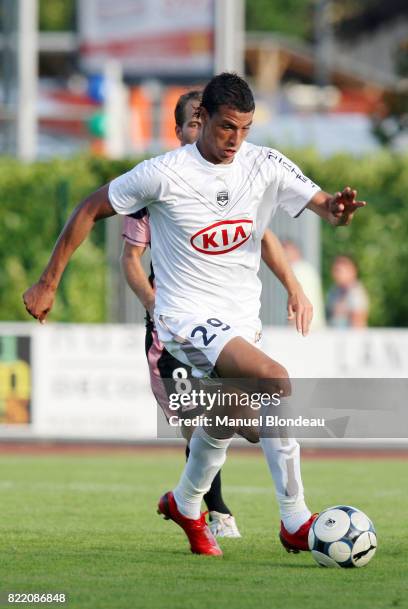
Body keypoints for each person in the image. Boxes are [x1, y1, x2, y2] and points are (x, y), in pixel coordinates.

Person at [23, 72, 366, 558]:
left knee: (241, 420)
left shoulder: (264, 163)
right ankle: (295, 519)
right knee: (276, 379)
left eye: (245, 128)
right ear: (202, 118)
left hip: (240, 323)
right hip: (183, 320)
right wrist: (48, 282)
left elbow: (325, 208)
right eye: (227, 127)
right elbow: (87, 209)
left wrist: (338, 209)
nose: (236, 140)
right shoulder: (163, 172)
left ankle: (186, 502)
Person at [121, 90, 314, 538]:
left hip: (225, 324)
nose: (201, 133)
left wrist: (294, 286)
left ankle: (185, 502)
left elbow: (261, 236)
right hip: (174, 332)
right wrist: (156, 304)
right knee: (200, 423)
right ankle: (220, 510)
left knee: (242, 421)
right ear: (183, 129)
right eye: (191, 124)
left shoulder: (232, 180)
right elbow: (131, 259)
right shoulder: (159, 183)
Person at [282, 239, 326, 330]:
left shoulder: (296, 270)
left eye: (285, 250)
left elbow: (297, 299)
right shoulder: (307, 269)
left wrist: (292, 323)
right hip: (313, 324)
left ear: (295, 251)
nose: (282, 254)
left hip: (303, 325)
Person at [326, 255, 369, 327]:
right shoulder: (334, 290)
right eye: (335, 270)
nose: (335, 274)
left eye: (339, 270)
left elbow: (358, 322)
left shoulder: (356, 293)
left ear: (353, 271)